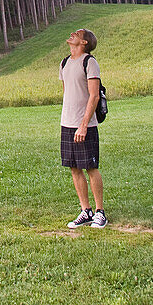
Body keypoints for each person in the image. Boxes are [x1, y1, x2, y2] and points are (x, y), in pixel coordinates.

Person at [59, 28, 107, 228]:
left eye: (77, 34)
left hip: (85, 124)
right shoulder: (64, 63)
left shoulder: (90, 62)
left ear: (84, 42)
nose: (72, 34)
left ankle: (99, 212)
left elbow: (94, 96)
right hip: (67, 123)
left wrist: (84, 125)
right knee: (74, 167)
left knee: (90, 166)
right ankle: (85, 211)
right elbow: (67, 93)